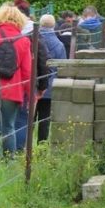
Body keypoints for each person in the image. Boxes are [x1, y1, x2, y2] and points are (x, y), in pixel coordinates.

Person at [0, 2, 32, 157]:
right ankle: (9, 159)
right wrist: (30, 96)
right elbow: (27, 72)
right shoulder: (24, 40)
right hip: (13, 90)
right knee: (9, 127)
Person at [12, 0, 49, 152]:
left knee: (8, 123)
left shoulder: (8, 32)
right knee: (24, 120)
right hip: (29, 84)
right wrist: (42, 86)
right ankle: (20, 151)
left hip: (8, 83)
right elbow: (43, 61)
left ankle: (8, 151)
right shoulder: (35, 35)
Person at [38, 14, 66, 142]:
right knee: (45, 119)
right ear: (54, 26)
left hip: (33, 85)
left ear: (40, 25)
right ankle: (42, 144)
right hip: (50, 87)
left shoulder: (33, 40)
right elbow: (62, 68)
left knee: (29, 118)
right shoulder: (59, 45)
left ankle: (25, 146)